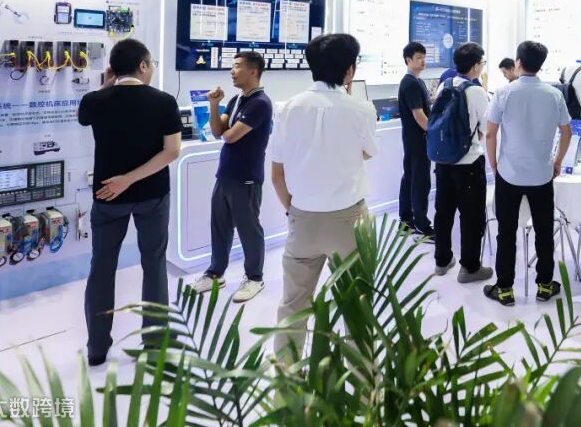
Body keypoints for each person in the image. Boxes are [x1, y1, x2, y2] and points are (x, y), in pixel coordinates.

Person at [270, 33, 378, 361]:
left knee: (293, 305)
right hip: (349, 220)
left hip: (302, 218)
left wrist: (293, 210)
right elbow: (367, 153)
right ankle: (361, 379)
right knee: (357, 303)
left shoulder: (288, 108)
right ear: (350, 70)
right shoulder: (361, 109)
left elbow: (277, 173)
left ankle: (287, 376)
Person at [78, 39, 181, 367]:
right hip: (153, 195)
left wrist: (107, 84)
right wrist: (132, 179)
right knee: (154, 264)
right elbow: (172, 152)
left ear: (112, 69)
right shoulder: (164, 102)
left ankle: (97, 347)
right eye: (151, 64)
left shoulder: (93, 101)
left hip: (107, 196)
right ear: (143, 66)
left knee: (102, 267)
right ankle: (155, 341)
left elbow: (86, 115)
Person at [483, 41, 571, 306]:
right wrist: (557, 162)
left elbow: (490, 133)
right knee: (544, 232)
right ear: (540, 64)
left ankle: (505, 289)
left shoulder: (503, 92)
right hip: (542, 174)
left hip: (509, 174)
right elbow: (566, 132)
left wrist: (493, 164)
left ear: (518, 63)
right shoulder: (553, 94)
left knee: (506, 232)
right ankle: (545, 285)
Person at [190, 51, 273, 303]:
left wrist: (225, 129)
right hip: (225, 175)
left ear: (253, 71)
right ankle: (215, 273)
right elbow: (217, 131)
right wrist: (214, 105)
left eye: (237, 66)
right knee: (220, 227)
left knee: (249, 229)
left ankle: (255, 278)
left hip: (246, 177)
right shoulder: (237, 99)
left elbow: (230, 136)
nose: (232, 71)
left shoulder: (260, 103)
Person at [432, 42, 493, 283]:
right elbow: (487, 128)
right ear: (476, 66)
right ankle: (470, 268)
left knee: (443, 212)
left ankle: (442, 260)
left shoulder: (444, 86)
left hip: (443, 160)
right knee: (471, 216)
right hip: (469, 162)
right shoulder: (476, 91)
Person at [397, 42, 433, 238]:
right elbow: (419, 115)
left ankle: (406, 222)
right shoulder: (410, 83)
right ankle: (421, 224)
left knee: (410, 178)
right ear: (408, 60)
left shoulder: (417, 81)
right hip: (417, 140)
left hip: (413, 140)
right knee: (420, 182)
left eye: (424, 57)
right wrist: (433, 133)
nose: (423, 61)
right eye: (419, 58)